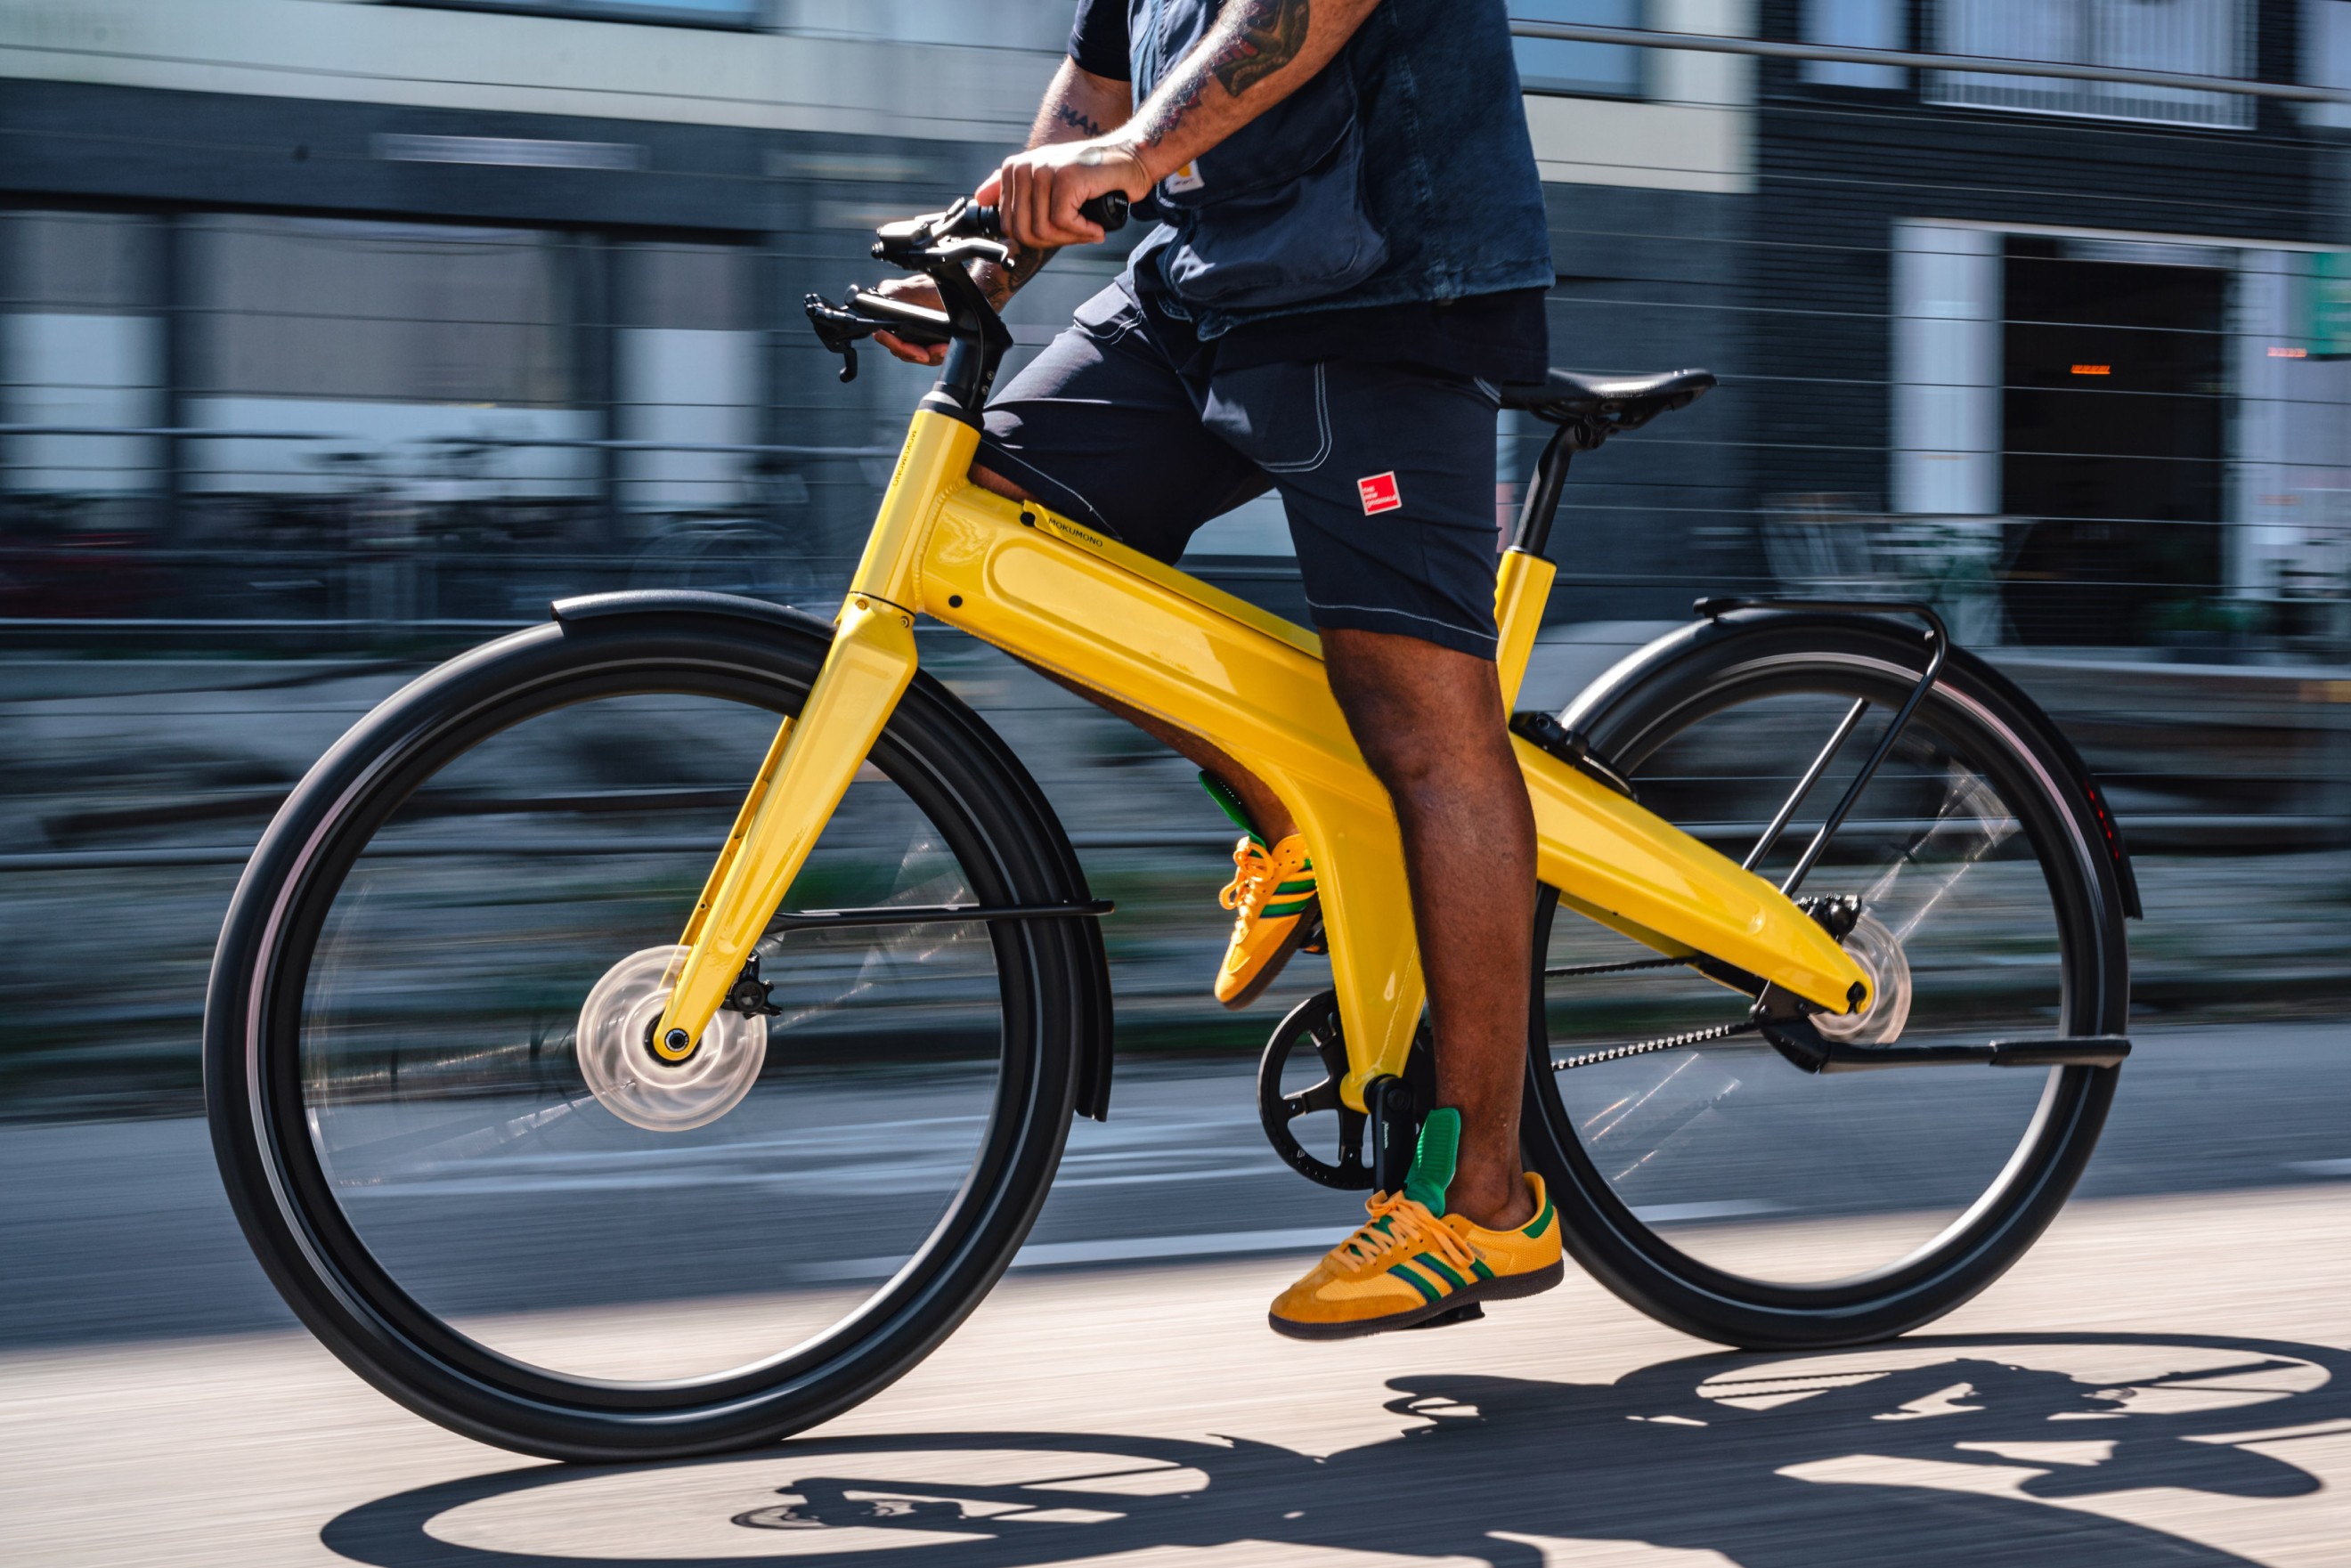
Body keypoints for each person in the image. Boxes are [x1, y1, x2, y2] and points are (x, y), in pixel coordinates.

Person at [875, 0, 1562, 1337]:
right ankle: (1284, 808)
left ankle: (1484, 1197)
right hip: (1204, 285)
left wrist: (1133, 147)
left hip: (1392, 291)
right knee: (998, 523)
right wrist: (984, 265)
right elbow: (1089, 90)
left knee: (1422, 728)